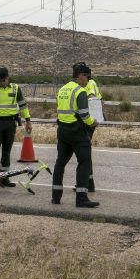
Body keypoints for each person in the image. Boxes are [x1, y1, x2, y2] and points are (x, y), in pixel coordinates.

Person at [52, 63, 100, 208]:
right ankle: (81, 198)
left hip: (62, 131)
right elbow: (85, 115)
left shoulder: (62, 89)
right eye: (87, 76)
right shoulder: (80, 91)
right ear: (80, 75)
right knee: (84, 162)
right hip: (77, 131)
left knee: (60, 162)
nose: (88, 80)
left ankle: (56, 197)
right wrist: (93, 122)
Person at [0, 67, 32, 188]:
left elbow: (23, 106)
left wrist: (28, 121)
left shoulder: (15, 88)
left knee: (7, 151)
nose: (0, 82)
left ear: (7, 78)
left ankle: (4, 178)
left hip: (10, 124)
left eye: (2, 80)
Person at [83, 63, 102, 192]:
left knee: (84, 152)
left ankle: (88, 183)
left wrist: (90, 121)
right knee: (85, 152)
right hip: (92, 121)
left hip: (88, 122)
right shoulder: (93, 83)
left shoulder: (89, 84)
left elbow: (90, 99)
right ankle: (88, 182)